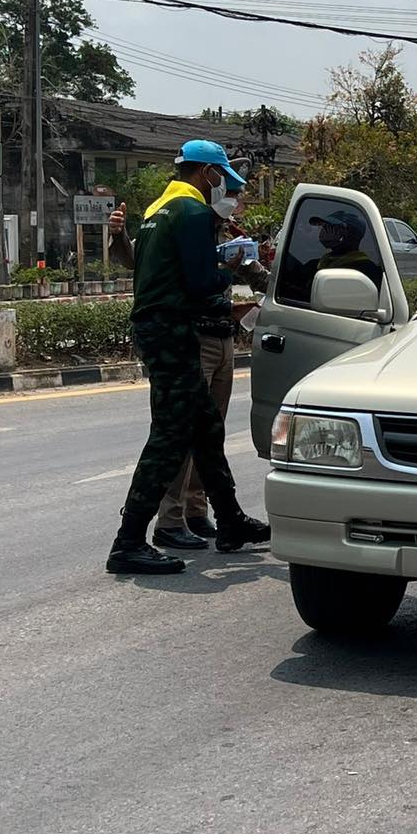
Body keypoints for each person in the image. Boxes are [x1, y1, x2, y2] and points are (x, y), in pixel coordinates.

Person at [105, 140, 271, 575]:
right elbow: (200, 284)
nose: (225, 188)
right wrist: (230, 266)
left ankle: (230, 519)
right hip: (175, 330)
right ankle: (128, 543)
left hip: (157, 328)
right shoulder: (194, 211)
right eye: (223, 179)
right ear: (207, 173)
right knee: (170, 436)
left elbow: (153, 269)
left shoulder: (158, 209)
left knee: (205, 427)